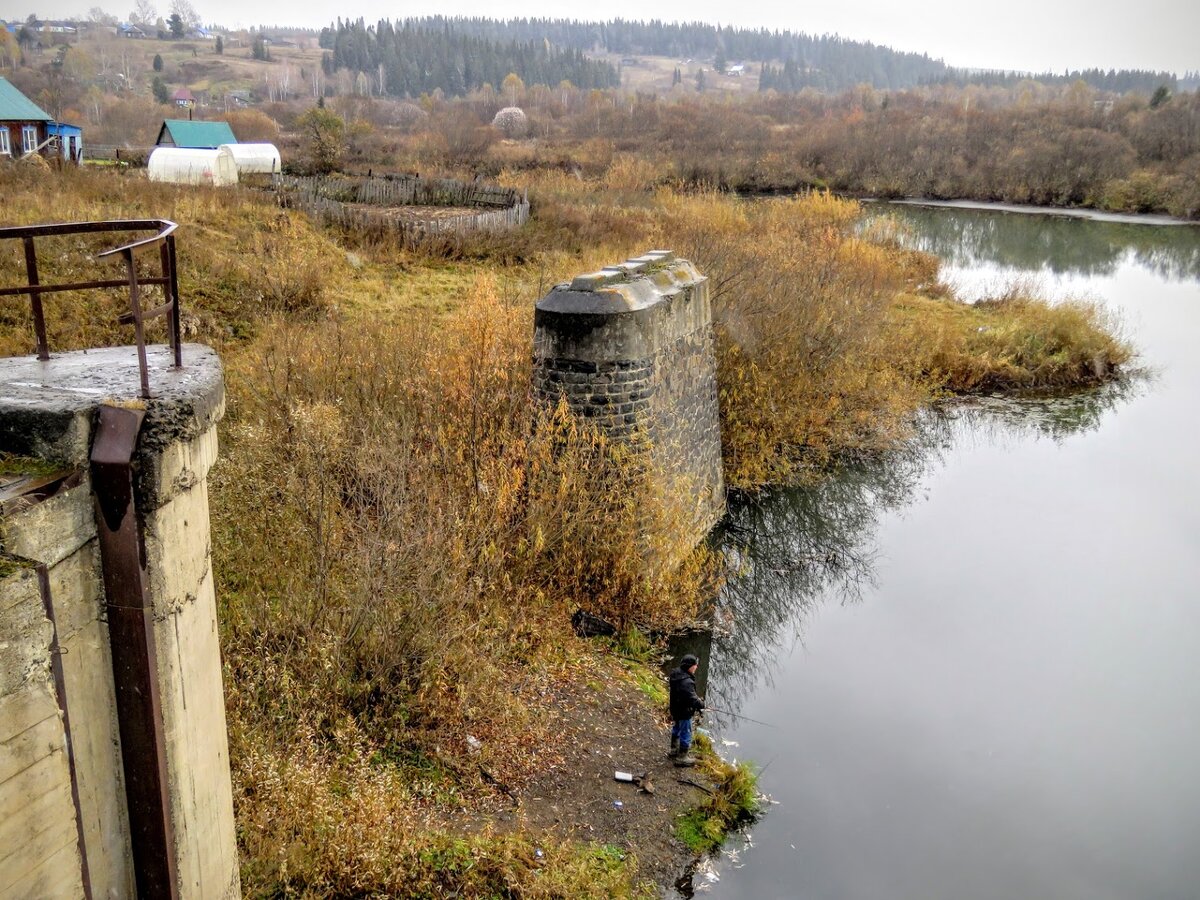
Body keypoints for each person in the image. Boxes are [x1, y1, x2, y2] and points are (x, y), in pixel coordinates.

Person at [668, 654, 705, 767]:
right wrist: (701, 704)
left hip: (675, 709)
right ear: (689, 666)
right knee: (686, 733)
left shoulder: (675, 674)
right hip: (684, 712)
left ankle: (673, 750)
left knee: (676, 728)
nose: (696, 667)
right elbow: (692, 699)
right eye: (695, 665)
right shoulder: (687, 682)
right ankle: (682, 757)